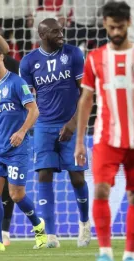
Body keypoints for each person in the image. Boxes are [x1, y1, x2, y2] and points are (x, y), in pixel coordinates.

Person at [74, 2, 134, 261]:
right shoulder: (95, 58)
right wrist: (79, 141)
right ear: (104, 24)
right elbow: (86, 100)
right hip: (104, 139)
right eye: (111, 27)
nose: (115, 31)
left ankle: (130, 258)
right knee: (100, 190)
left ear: (128, 23)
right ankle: (105, 255)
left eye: (120, 27)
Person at [19, 17, 91, 248]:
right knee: (43, 174)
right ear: (42, 35)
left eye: (61, 30)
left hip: (72, 122)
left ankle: (84, 223)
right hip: (43, 126)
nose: (61, 34)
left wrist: (73, 123)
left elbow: (87, 93)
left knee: (77, 176)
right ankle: (51, 235)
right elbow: (27, 98)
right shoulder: (28, 62)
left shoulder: (74, 55)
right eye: (55, 32)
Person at [0, 43, 47, 251]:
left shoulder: (18, 83)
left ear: (1, 57)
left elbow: (34, 111)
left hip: (18, 148)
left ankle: (38, 224)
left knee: (16, 194)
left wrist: (21, 132)